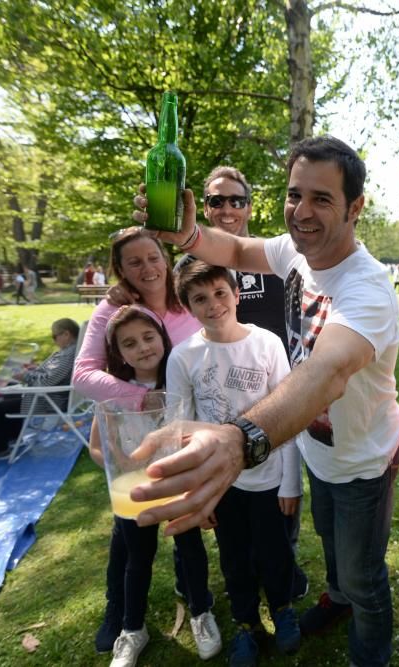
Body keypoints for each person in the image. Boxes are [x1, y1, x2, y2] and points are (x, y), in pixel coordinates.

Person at [130, 135, 399, 667]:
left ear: (356, 207)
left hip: (363, 464)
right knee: (332, 547)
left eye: (321, 199)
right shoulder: (295, 253)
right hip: (320, 453)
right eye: (293, 194)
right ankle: (338, 599)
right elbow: (233, 250)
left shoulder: (367, 289)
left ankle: (367, 649)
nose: (301, 212)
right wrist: (188, 233)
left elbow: (326, 373)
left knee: (364, 573)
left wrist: (241, 439)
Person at [71, 226, 212, 656]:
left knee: (188, 541)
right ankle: (123, 617)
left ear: (164, 256)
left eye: (153, 257)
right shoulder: (114, 311)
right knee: (130, 544)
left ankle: (198, 604)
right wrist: (144, 400)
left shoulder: (185, 296)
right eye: (134, 261)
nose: (147, 267)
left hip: (188, 435)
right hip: (135, 434)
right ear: (120, 270)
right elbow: (82, 375)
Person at [175, 165, 310, 599]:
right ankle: (245, 586)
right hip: (220, 401)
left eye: (237, 200)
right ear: (206, 209)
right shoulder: (191, 264)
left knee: (279, 507)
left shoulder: (275, 256)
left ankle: (282, 578)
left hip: (278, 391)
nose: (228, 208)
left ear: (250, 206)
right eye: (216, 201)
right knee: (236, 517)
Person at [168, 261, 302, 665]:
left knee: (274, 549)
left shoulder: (268, 344)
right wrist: (196, 495)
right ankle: (246, 623)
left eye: (220, 293)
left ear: (237, 293)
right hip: (218, 483)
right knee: (234, 556)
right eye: (200, 299)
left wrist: (290, 481)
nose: (213, 305)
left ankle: (282, 608)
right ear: (187, 306)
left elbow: (289, 415)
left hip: (269, 475)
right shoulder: (183, 357)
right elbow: (179, 430)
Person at [87, 305, 216, 667]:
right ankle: (132, 627)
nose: (142, 347)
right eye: (130, 343)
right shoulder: (112, 395)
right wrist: (119, 465)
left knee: (190, 549)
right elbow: (98, 447)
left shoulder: (180, 382)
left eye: (148, 336)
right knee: (137, 558)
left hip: (178, 485)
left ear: (162, 336)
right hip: (135, 492)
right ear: (119, 353)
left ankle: (201, 612)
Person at [0, 318, 79, 461]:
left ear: (66, 334)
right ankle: (12, 437)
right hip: (49, 395)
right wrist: (35, 369)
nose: (54, 340)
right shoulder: (69, 351)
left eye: (55, 336)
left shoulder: (68, 355)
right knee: (9, 394)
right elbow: (52, 374)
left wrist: (25, 376)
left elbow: (48, 381)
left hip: (49, 400)